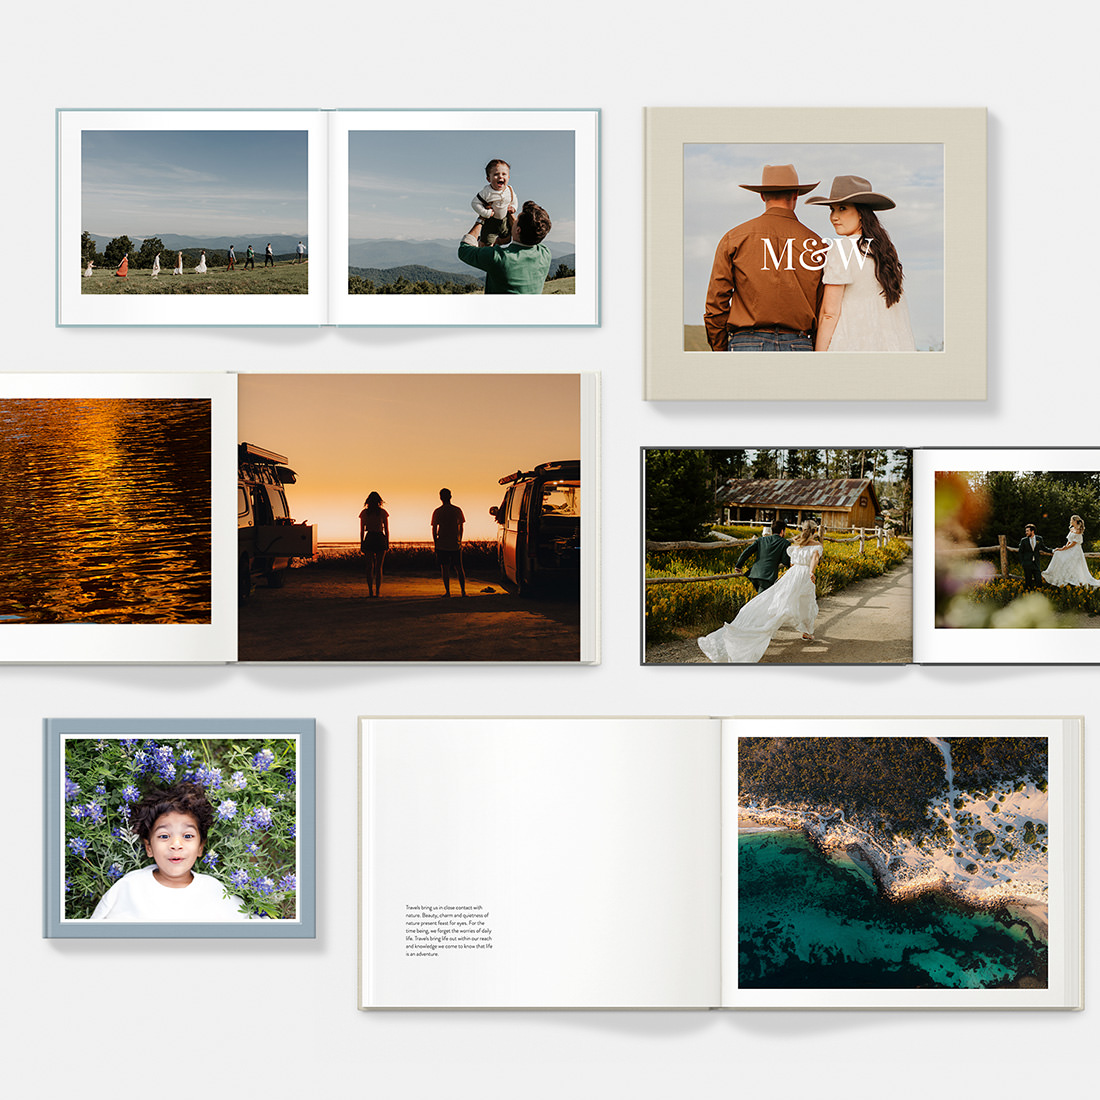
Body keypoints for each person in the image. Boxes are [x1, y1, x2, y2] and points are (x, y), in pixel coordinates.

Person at [704, 164, 824, 352]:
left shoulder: (734, 238)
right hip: (799, 344)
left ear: (762, 196)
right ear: (796, 196)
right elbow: (823, 307)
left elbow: (716, 303)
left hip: (746, 343)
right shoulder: (817, 244)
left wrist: (720, 348)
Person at [90, 783, 248, 921]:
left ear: (201, 847)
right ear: (149, 847)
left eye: (187, 836)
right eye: (164, 836)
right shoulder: (129, 887)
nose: (176, 844)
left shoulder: (214, 890)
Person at [806, 175, 916, 351]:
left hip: (851, 345)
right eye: (832, 210)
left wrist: (819, 354)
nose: (834, 216)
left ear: (861, 213)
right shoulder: (885, 252)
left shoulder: (842, 249)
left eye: (842, 208)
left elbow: (829, 314)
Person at [698, 520, 823, 663]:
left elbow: (790, 563)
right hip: (798, 576)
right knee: (799, 603)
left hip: (780, 574)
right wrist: (811, 572)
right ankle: (763, 628)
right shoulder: (812, 546)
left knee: (771, 600)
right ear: (814, 531)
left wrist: (739, 565)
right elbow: (810, 559)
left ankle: (799, 630)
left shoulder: (793, 545)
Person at [458, 200, 553, 294]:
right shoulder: (545, 253)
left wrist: (481, 218)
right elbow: (529, 233)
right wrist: (509, 213)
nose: (514, 220)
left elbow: (464, 249)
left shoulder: (499, 258)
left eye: (517, 219)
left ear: (518, 230)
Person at [1041, 515, 1100, 587]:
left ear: (1075, 521)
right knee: (1058, 553)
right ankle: (1051, 573)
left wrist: (1065, 549)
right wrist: (1063, 547)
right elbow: (1069, 541)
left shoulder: (1078, 530)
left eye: (1071, 520)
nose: (1070, 522)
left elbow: (1074, 543)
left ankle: (1069, 579)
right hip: (1069, 547)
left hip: (1075, 549)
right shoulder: (1072, 529)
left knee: (1070, 562)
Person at [471, 158, 517, 246]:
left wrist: (514, 207)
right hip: (491, 221)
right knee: (486, 244)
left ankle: (495, 242)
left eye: (504, 174)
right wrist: (485, 213)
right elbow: (474, 203)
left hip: (504, 220)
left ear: (508, 177)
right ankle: (481, 243)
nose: (501, 177)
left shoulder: (509, 189)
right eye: (496, 174)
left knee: (507, 239)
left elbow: (514, 199)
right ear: (489, 179)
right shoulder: (487, 192)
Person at [735, 520, 791, 592]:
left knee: (762, 599)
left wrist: (738, 565)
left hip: (754, 574)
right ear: (782, 531)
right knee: (762, 601)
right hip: (767, 577)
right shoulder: (785, 543)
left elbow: (748, 551)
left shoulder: (761, 540)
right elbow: (785, 561)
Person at [431, 488, 467, 597]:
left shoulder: (437, 511)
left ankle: (448, 592)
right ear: (450, 497)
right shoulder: (457, 510)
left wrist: (435, 542)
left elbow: (434, 529)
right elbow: (461, 527)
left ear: (441, 498)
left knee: (445, 568)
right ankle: (463, 591)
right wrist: (460, 540)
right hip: (454, 543)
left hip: (442, 543)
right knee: (459, 568)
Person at [359, 491, 390, 598]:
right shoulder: (382, 512)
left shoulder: (364, 513)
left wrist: (362, 543)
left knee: (369, 567)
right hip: (380, 537)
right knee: (378, 567)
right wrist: (387, 542)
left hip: (370, 537)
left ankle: (370, 591)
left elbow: (362, 530)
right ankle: (377, 591)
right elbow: (386, 529)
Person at [1018, 523, 1048, 590]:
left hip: (1036, 564)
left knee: (1039, 581)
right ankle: (1027, 595)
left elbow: (1044, 548)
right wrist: (1023, 563)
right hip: (1027, 564)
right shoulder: (1023, 540)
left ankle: (1038, 594)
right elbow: (1020, 552)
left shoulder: (1039, 539)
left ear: (1032, 531)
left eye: (1027, 531)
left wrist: (1053, 551)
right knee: (1028, 582)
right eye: (1026, 531)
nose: (1026, 532)